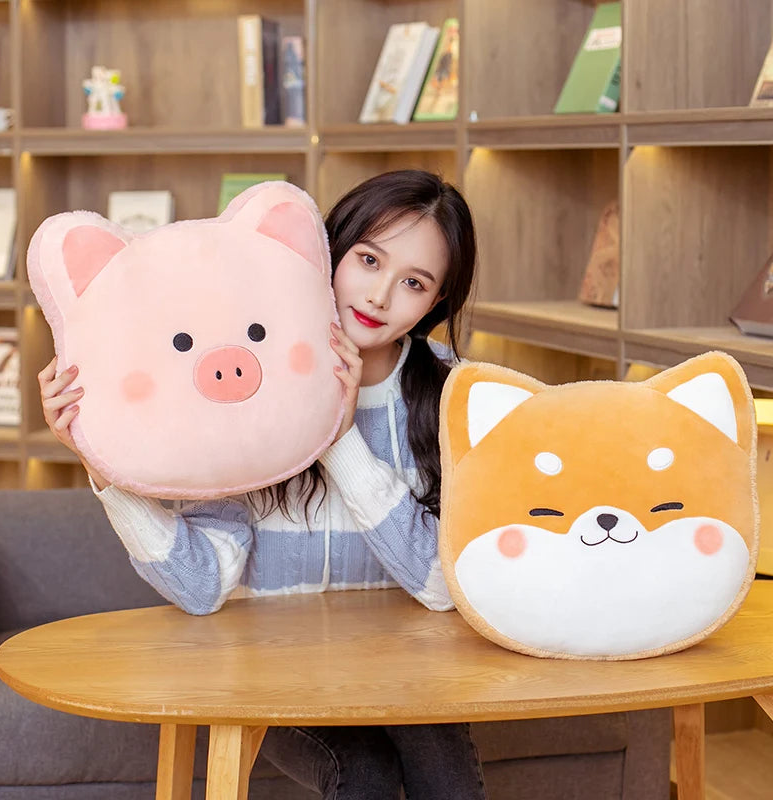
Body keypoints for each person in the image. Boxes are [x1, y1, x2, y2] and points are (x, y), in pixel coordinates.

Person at [38, 169, 486, 800]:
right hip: (275, 677)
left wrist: (336, 434)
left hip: (409, 671)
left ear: (436, 302)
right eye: (367, 259)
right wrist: (103, 466)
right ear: (321, 253)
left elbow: (446, 585)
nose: (380, 295)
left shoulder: (455, 395)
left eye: (414, 282)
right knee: (366, 777)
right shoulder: (248, 385)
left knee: (443, 763)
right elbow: (200, 589)